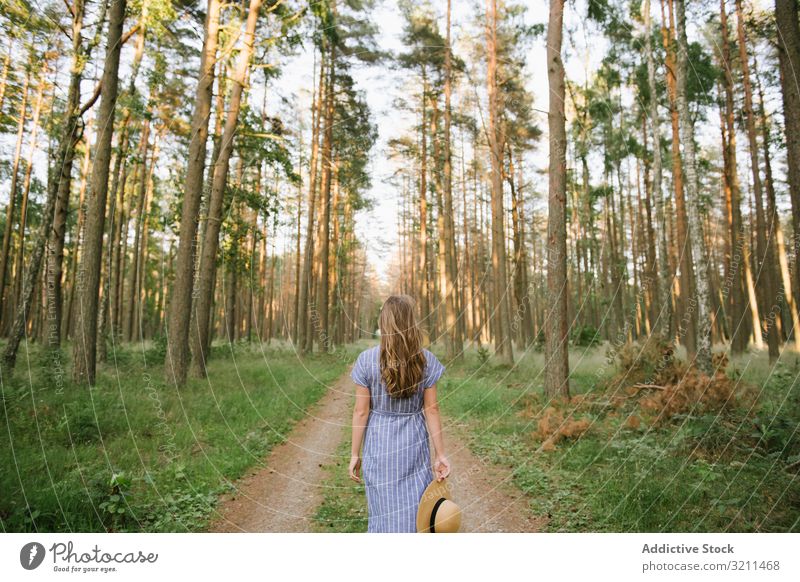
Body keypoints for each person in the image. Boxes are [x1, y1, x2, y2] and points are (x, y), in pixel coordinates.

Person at [348, 294, 451, 533]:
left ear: (384, 324)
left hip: (379, 445)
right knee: (416, 510)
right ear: (411, 323)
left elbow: (361, 412)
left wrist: (355, 454)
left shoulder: (365, 361)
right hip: (413, 445)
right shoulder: (426, 360)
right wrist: (440, 454)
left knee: (383, 513)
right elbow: (432, 409)